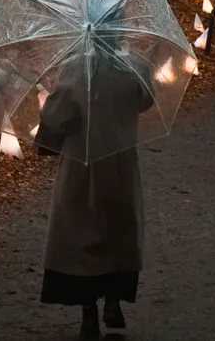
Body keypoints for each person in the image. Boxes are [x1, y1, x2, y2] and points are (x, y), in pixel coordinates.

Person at [34, 34, 155, 339]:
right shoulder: (135, 66)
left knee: (83, 233)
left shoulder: (76, 68)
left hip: (82, 165)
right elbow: (146, 100)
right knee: (118, 228)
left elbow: (56, 117)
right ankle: (113, 301)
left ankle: (89, 313)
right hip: (121, 163)